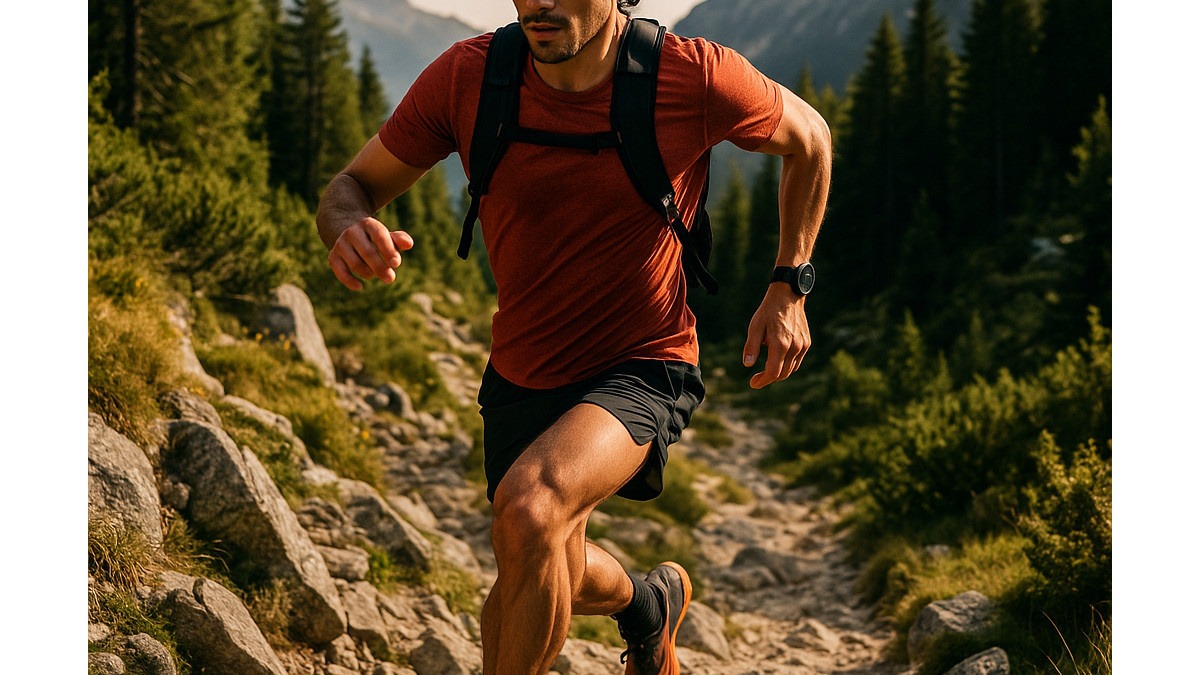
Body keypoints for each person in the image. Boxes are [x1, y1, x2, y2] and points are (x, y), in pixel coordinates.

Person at [315, 0, 831, 672]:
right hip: (523, 370)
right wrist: (349, 225)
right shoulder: (470, 78)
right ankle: (649, 606)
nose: (541, 2)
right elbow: (349, 186)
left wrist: (791, 285)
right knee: (536, 544)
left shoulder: (690, 76)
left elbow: (811, 138)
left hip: (643, 363)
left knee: (531, 511)